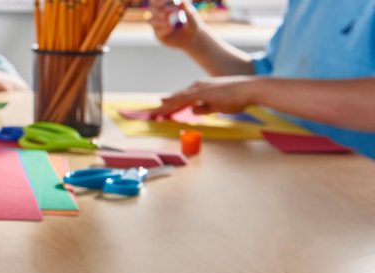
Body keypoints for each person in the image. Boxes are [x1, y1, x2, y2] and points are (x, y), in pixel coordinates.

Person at [147, 0, 375, 158]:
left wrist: (255, 89)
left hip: (355, 190)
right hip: (295, 173)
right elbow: (273, 81)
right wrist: (196, 41)